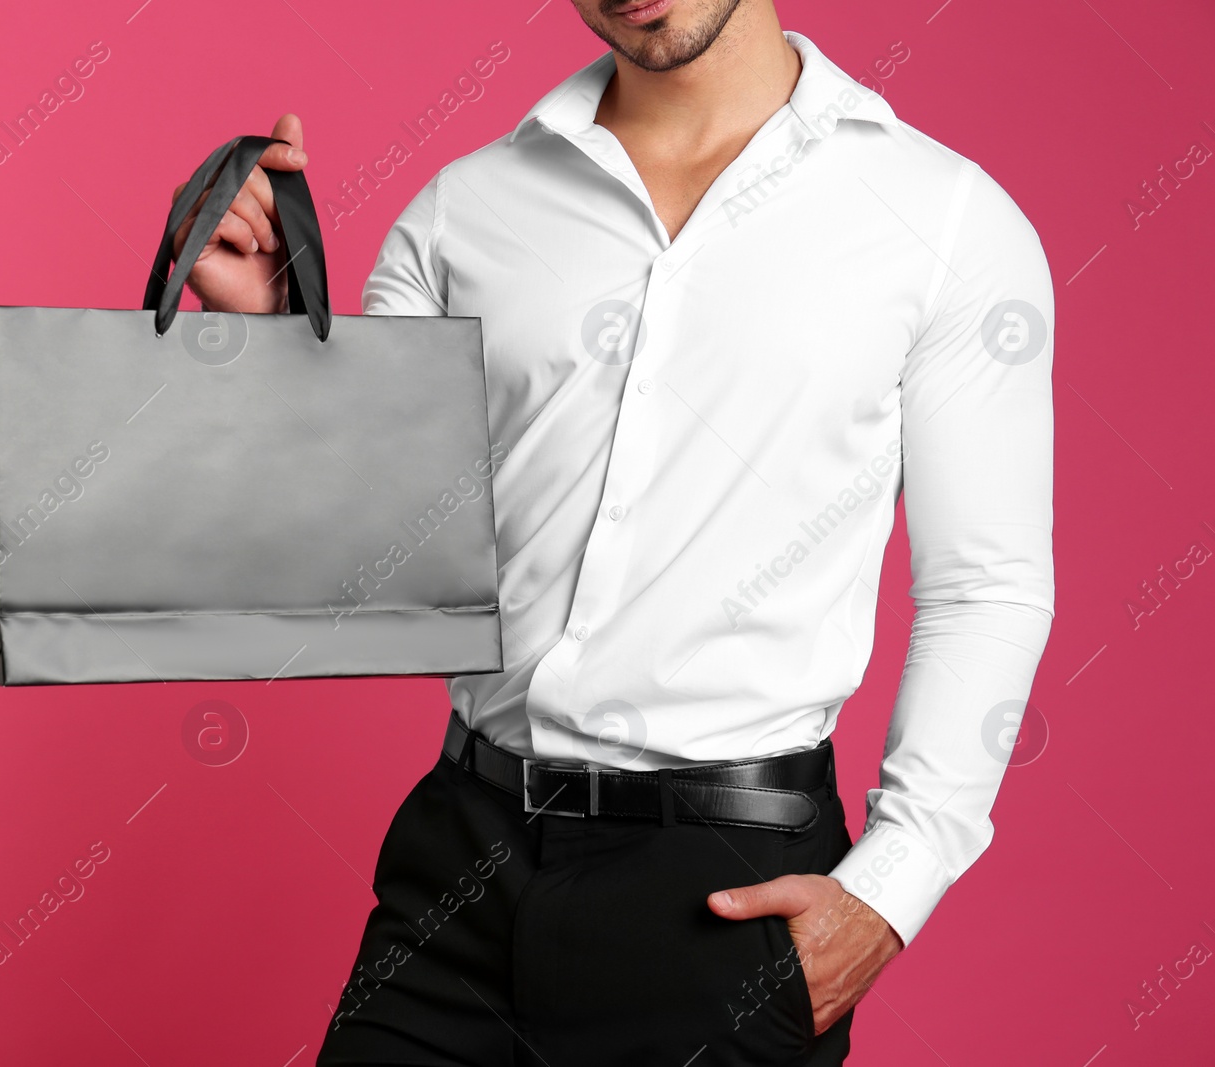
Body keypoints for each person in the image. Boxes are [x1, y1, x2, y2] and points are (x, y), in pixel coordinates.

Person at [169, 0, 1054, 1062]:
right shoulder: (466, 211)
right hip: (463, 863)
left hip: (724, 896)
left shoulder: (942, 218)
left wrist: (892, 886)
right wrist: (260, 340)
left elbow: (984, 587)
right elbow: (365, 565)